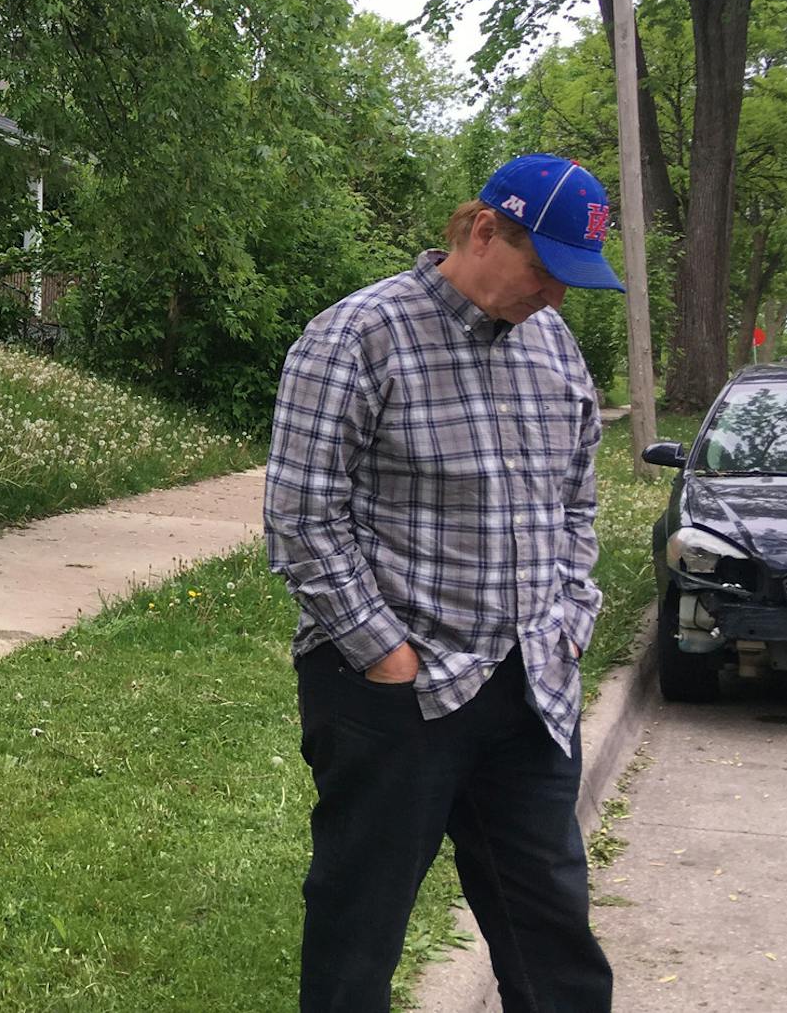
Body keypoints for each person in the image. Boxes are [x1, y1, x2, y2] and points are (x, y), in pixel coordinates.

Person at [264, 153, 624, 1012]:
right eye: (544, 270)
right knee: (360, 925)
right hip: (392, 690)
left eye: (572, 282)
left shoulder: (554, 345)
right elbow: (302, 518)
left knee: (552, 931)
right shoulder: (358, 334)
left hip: (531, 684)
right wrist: (386, 657)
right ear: (481, 229)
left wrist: (570, 618)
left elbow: (576, 499)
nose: (555, 297)